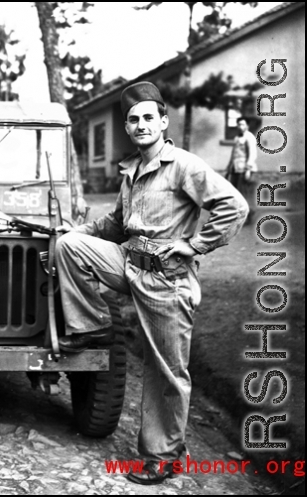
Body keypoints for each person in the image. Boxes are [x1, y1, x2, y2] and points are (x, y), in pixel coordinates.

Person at [55, 82, 248, 485]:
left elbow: (235, 207)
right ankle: (91, 329)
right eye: (133, 119)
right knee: (69, 246)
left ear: (162, 122)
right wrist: (78, 230)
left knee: (165, 371)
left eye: (148, 117)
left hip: (166, 279)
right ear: (127, 127)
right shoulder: (133, 170)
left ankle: (164, 455)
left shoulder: (183, 165)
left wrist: (194, 245)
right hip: (128, 262)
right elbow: (115, 225)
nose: (141, 124)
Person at [226, 116, 257, 223]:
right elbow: (233, 154)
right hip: (235, 169)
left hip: (244, 170)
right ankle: (239, 216)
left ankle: (248, 217)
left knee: (244, 193)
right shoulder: (237, 137)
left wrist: (248, 169)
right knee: (236, 193)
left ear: (247, 126)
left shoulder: (250, 137)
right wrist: (229, 169)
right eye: (238, 124)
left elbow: (252, 154)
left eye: (242, 124)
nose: (240, 126)